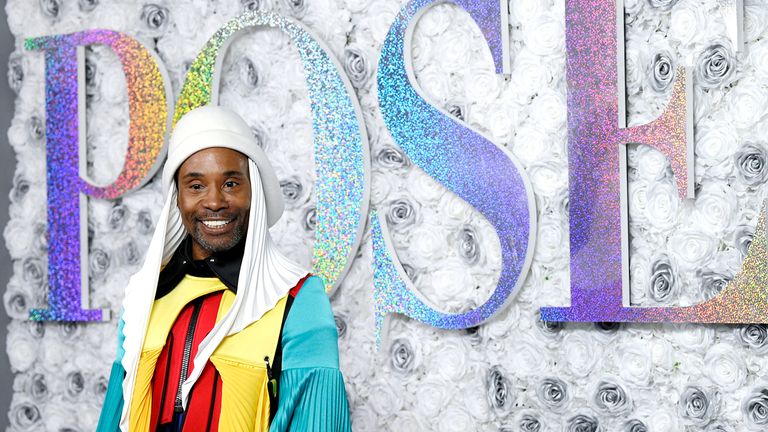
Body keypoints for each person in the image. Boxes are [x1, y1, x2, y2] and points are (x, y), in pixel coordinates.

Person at [97, 105, 351, 431]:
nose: (215, 202)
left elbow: (318, 421)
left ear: (254, 191)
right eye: (196, 185)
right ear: (177, 197)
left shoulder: (298, 298)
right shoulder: (145, 292)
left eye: (231, 183)